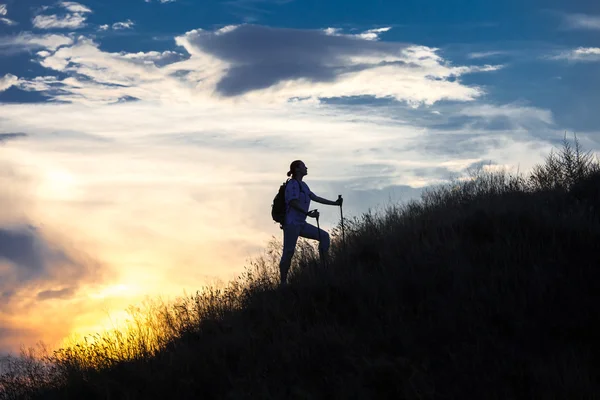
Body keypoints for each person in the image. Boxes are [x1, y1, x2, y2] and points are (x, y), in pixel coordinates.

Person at [278, 160, 343, 287]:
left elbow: (316, 198)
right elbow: (292, 202)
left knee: (324, 236)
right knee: (289, 252)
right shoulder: (292, 184)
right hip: (291, 224)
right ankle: (283, 283)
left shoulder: (304, 185)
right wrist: (307, 213)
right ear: (297, 169)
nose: (306, 168)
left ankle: (324, 267)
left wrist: (335, 203)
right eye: (303, 166)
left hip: (301, 223)